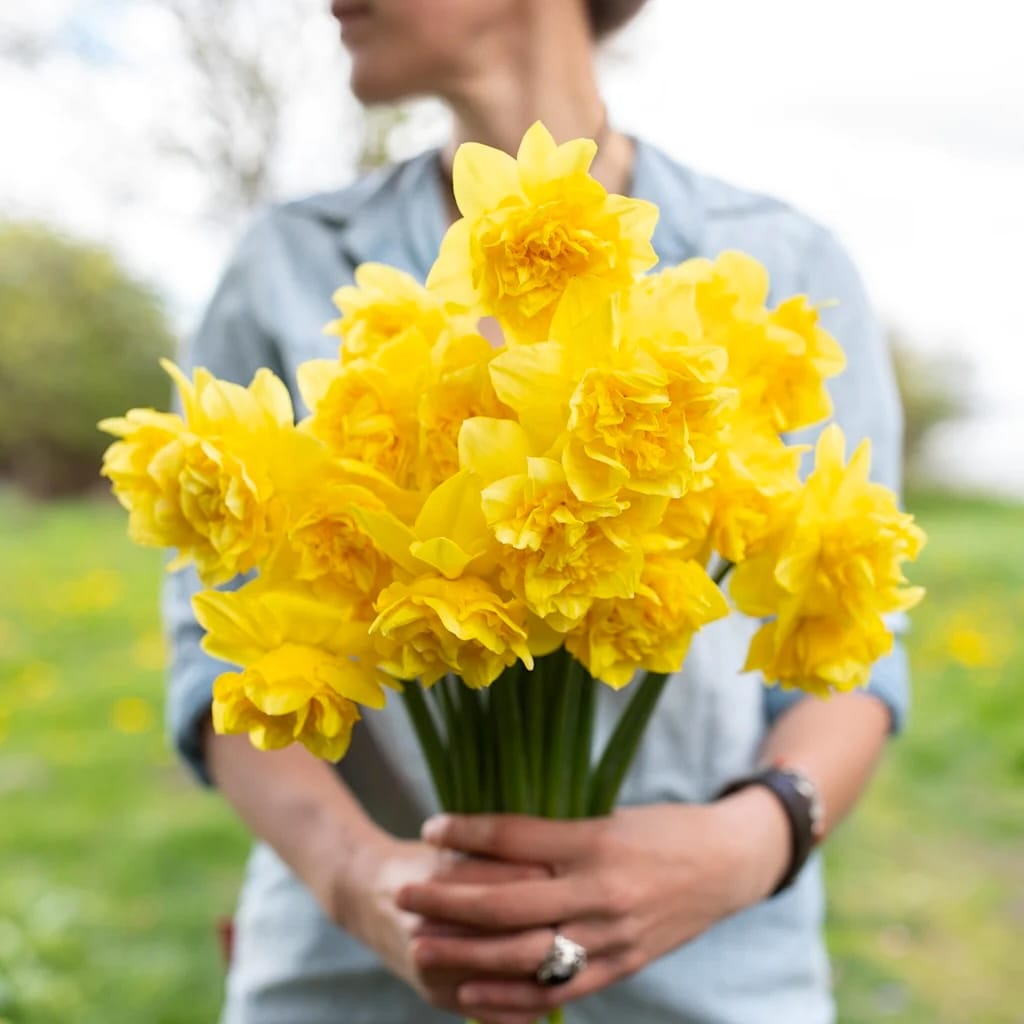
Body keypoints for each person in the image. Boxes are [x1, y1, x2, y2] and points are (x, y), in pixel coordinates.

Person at [163, 1, 910, 1021]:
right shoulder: (283, 261)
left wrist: (747, 844)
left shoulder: (785, 262)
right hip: (353, 969)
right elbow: (219, 658)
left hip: (711, 975)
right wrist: (359, 885)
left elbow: (857, 648)